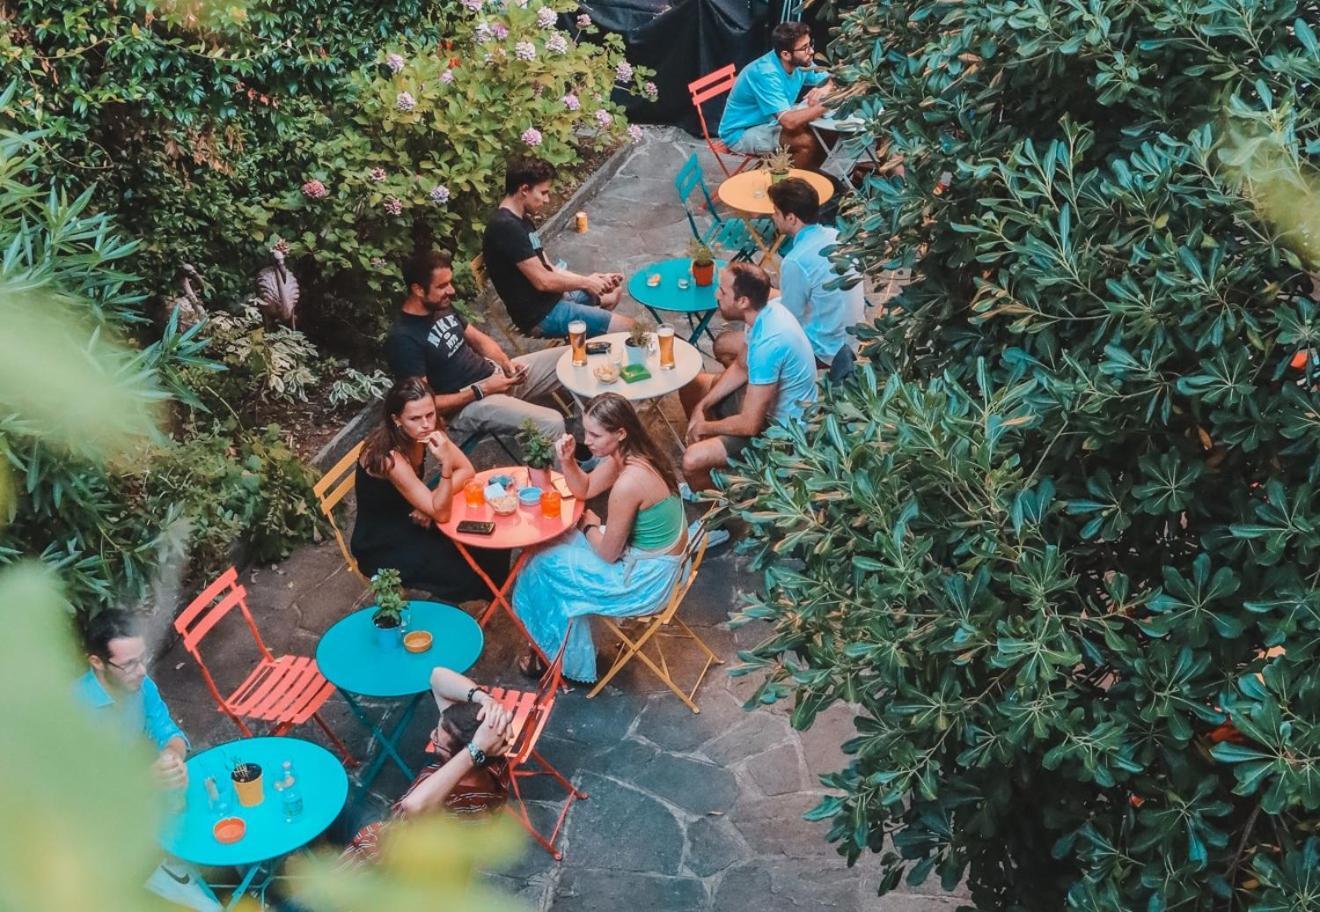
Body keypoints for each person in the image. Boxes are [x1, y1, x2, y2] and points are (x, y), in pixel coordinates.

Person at [512, 393, 688, 683]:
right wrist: (567, 462)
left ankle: (555, 657)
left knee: (541, 565)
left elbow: (608, 554)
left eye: (595, 434)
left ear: (620, 432)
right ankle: (552, 647)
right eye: (585, 431)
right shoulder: (634, 455)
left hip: (644, 582)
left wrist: (589, 526)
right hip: (660, 562)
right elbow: (586, 488)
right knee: (550, 547)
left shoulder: (629, 483)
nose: (587, 441)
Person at [74, 612, 222, 912]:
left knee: (216, 796)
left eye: (142, 658)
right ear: (97, 663)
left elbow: (168, 731)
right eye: (129, 664)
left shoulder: (138, 685)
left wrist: (172, 757)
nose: (141, 671)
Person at [384, 248, 570, 442]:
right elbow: (425, 405)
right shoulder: (403, 340)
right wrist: (483, 389)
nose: (451, 290)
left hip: (496, 377)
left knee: (575, 356)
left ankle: (598, 440)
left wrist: (507, 365)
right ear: (418, 290)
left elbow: (479, 339)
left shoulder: (440, 306)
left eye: (450, 282)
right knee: (551, 422)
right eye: (442, 286)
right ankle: (565, 472)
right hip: (469, 405)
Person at [350, 377, 509, 601]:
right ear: (396, 420)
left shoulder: (425, 431)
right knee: (462, 573)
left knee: (492, 539)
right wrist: (445, 466)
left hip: (415, 517)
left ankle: (493, 598)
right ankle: (455, 618)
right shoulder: (390, 458)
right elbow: (442, 512)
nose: (426, 424)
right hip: (383, 542)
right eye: (415, 418)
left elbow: (467, 470)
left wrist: (430, 502)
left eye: (430, 414)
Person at [341, 667, 514, 864]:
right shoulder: (493, 760)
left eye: (438, 740)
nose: (432, 736)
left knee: (338, 808)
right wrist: (485, 700)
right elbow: (437, 677)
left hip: (383, 860)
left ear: (464, 753)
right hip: (384, 830)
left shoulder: (462, 807)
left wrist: (474, 750)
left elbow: (413, 805)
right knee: (343, 809)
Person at [680, 262, 818, 491]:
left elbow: (750, 424)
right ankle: (723, 465)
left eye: (723, 292)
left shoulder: (770, 342)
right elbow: (741, 367)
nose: (717, 295)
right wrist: (701, 406)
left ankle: (725, 517)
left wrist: (704, 427)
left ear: (742, 301)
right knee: (693, 387)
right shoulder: (761, 314)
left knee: (691, 461)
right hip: (762, 409)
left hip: (780, 433)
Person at [482, 156, 634, 338]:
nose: (547, 200)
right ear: (524, 190)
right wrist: (586, 283)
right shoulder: (505, 228)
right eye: (543, 192)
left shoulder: (522, 219)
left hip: (555, 299)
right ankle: (590, 340)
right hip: (541, 314)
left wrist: (593, 280)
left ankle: (586, 343)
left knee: (612, 292)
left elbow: (550, 269)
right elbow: (544, 281)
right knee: (632, 329)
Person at [767, 177, 866, 365]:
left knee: (730, 345)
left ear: (791, 218)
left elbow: (790, 320)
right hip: (853, 339)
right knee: (770, 297)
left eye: (776, 212)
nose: (773, 216)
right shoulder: (837, 236)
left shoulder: (795, 261)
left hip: (824, 349)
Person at [718, 22, 833, 169]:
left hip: (771, 121)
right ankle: (790, 187)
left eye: (810, 44)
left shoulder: (800, 63)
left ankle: (809, 174)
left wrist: (826, 88)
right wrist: (827, 103)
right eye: (804, 48)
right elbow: (789, 121)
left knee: (827, 132)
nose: (811, 51)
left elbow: (831, 78)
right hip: (741, 132)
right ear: (786, 54)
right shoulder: (766, 74)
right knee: (806, 142)